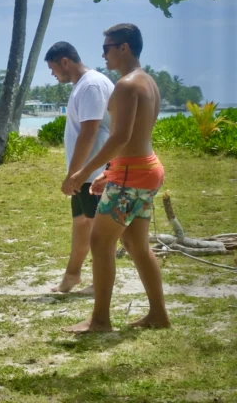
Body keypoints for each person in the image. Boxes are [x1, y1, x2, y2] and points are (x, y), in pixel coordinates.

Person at [64, 24, 170, 334]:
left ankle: (100, 321)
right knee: (137, 244)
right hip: (144, 169)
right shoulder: (148, 82)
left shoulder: (126, 85)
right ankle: (158, 315)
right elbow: (134, 137)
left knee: (100, 241)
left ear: (124, 48)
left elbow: (120, 136)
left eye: (108, 47)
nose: (103, 53)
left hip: (131, 174)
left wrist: (85, 172)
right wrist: (108, 173)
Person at [46, 43, 114, 294]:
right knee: (81, 224)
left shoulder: (91, 85)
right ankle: (72, 275)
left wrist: (74, 175)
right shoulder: (82, 85)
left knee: (98, 230)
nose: (53, 74)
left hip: (94, 173)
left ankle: (100, 282)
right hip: (87, 174)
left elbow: (89, 132)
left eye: (53, 68)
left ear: (65, 62)